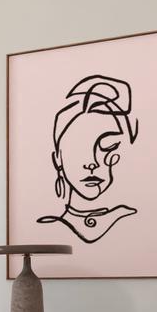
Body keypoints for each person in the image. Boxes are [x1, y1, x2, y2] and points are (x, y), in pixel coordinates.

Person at [39, 74, 139, 243]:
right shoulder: (47, 229)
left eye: (108, 146)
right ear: (58, 159)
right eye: (77, 149)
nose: (91, 163)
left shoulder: (130, 219)